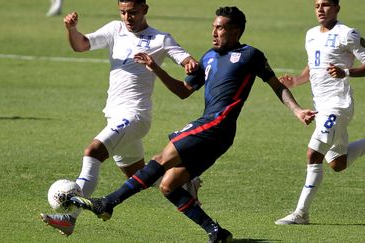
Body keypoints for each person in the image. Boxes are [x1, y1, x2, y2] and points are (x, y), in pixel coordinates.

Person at [66, 6, 316, 242]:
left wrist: (297, 111)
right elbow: (183, 91)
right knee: (168, 185)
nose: (214, 32)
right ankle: (215, 231)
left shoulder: (250, 55)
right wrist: (156, 69)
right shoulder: (207, 57)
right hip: (214, 132)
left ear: (236, 31)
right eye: (213, 27)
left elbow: (277, 86)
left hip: (218, 124)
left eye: (220, 28)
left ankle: (108, 203)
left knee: (160, 159)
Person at [40, 0, 202, 236]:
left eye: (133, 12)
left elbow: (186, 59)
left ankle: (70, 217)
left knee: (92, 152)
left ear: (145, 9)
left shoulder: (160, 39)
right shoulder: (115, 29)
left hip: (135, 115)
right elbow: (82, 45)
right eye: (123, 12)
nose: (128, 17)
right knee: (138, 174)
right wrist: (71, 30)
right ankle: (187, 183)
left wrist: (189, 64)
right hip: (115, 116)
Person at [275, 0, 365, 225]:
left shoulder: (348, 34)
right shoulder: (311, 34)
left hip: (338, 105)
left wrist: (346, 71)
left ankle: (301, 214)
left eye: (326, 5)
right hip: (322, 106)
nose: (320, 9)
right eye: (316, 5)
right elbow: (313, 64)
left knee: (313, 154)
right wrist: (296, 81)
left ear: (337, 8)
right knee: (337, 163)